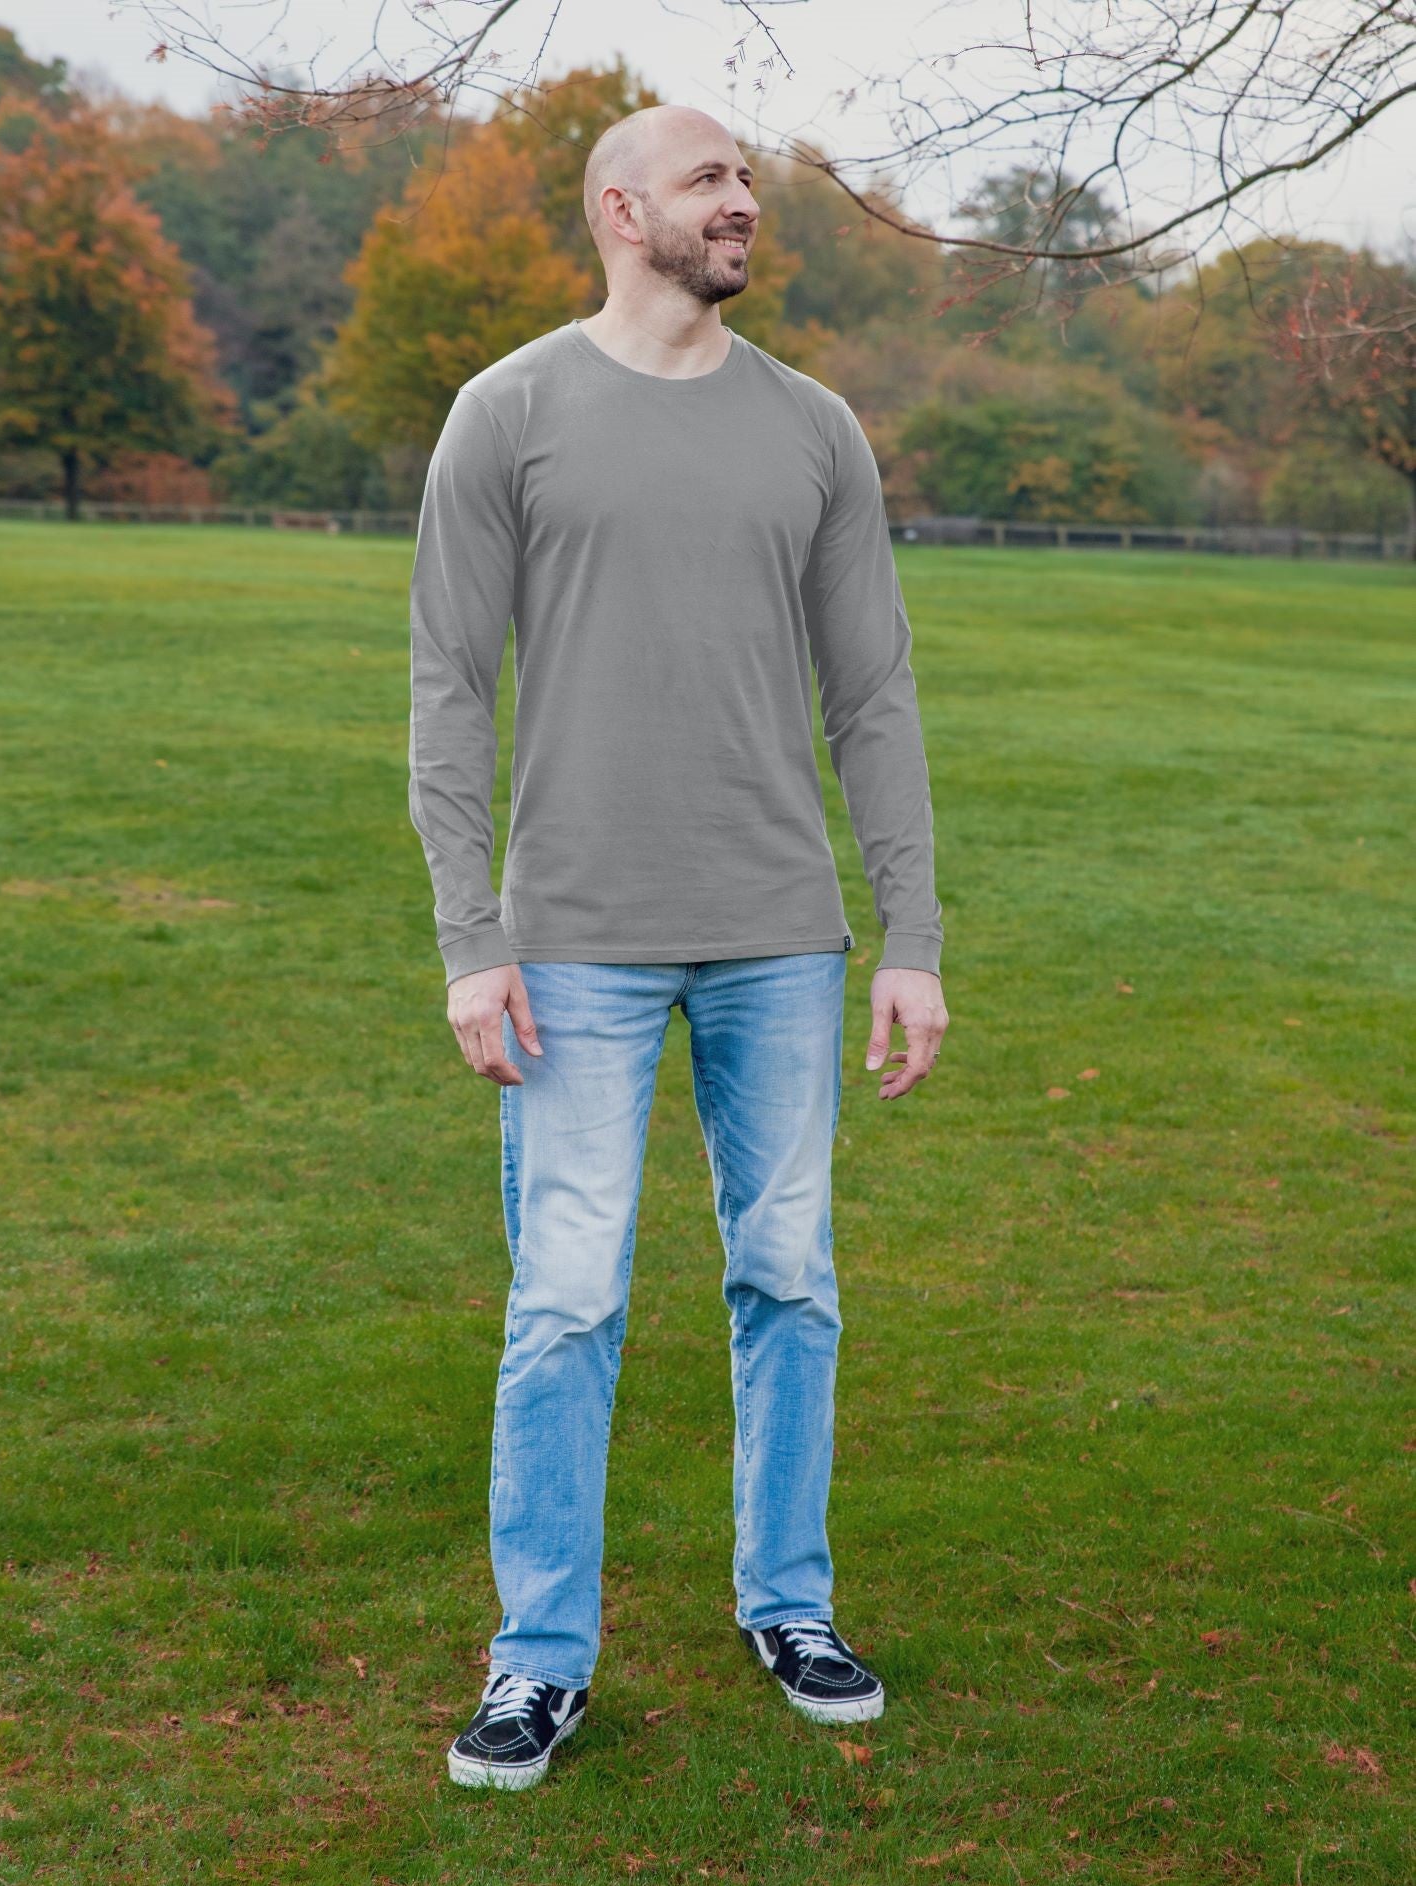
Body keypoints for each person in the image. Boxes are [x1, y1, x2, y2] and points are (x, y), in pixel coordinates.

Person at [408, 103, 948, 1792]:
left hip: (779, 936)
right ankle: (539, 1659)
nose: (744, 206)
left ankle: (789, 1604)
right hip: (571, 947)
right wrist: (470, 934)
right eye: (713, 181)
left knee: (789, 1280)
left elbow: (873, 695)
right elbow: (446, 688)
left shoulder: (813, 429)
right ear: (619, 207)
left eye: (750, 186)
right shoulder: (507, 414)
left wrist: (908, 933)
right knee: (565, 1302)